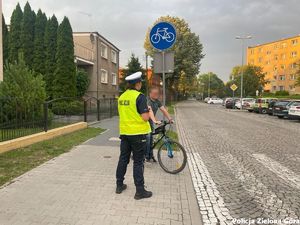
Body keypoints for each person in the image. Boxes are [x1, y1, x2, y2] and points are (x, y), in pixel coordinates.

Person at [115, 71, 153, 200]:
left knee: (123, 159)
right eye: (140, 82)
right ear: (137, 84)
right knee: (138, 162)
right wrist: (148, 110)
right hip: (137, 134)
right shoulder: (140, 97)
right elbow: (145, 117)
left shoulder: (122, 97)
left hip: (125, 133)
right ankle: (140, 191)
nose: (141, 84)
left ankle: (119, 185)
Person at [146, 87, 173, 162]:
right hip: (143, 122)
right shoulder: (148, 101)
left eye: (157, 93)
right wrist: (155, 121)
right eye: (154, 93)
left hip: (150, 121)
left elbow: (163, 110)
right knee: (148, 137)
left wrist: (170, 118)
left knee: (151, 139)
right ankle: (146, 155)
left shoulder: (157, 101)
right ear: (150, 94)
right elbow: (149, 111)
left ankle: (150, 155)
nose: (156, 95)